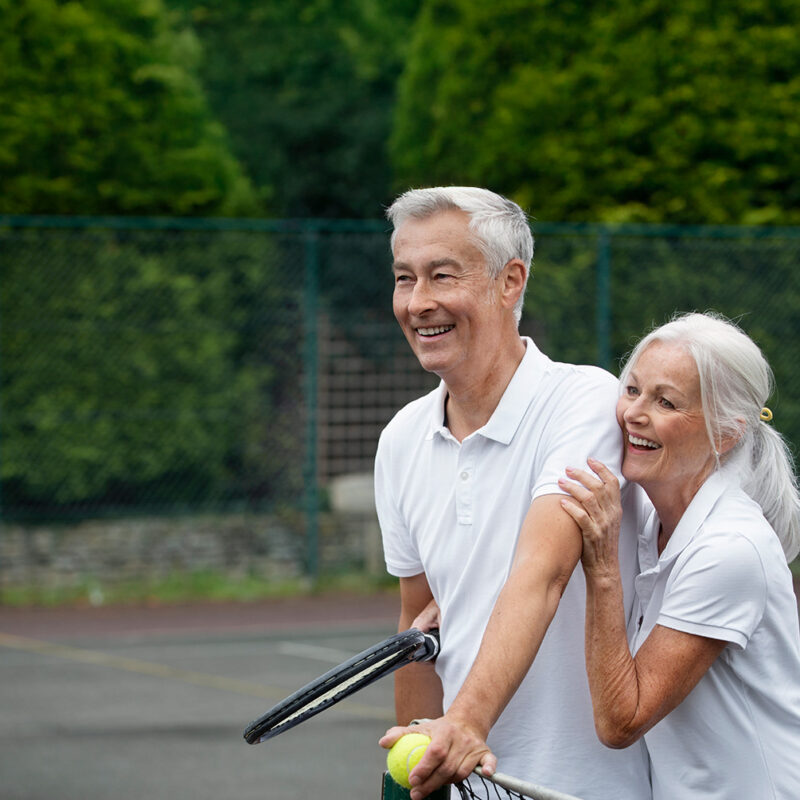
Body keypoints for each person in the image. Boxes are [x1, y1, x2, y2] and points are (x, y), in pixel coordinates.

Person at [374, 187, 651, 800]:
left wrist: (468, 720)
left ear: (510, 281)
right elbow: (416, 628)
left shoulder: (582, 402)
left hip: (588, 787)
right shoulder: (399, 440)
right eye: (404, 279)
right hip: (470, 781)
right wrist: (421, 775)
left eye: (442, 276)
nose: (419, 303)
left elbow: (543, 572)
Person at [559, 311, 800, 799]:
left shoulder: (729, 549)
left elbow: (621, 721)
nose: (633, 413)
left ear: (726, 434)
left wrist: (603, 566)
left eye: (666, 401)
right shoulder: (649, 519)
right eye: (632, 390)